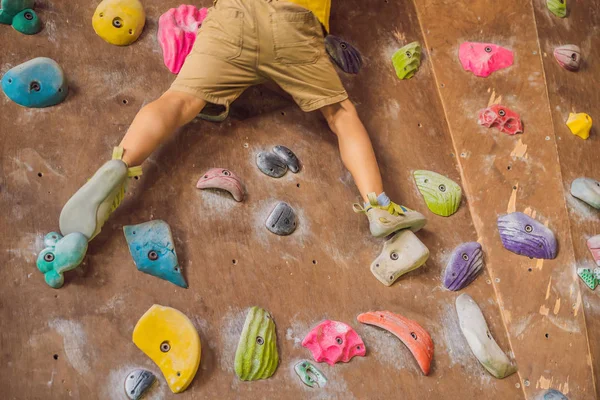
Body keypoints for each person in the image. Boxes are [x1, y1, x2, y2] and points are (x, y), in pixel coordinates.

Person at [56, 0, 427, 250]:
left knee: (180, 100)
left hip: (234, 15)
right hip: (293, 24)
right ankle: (378, 205)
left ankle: (119, 163)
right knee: (341, 115)